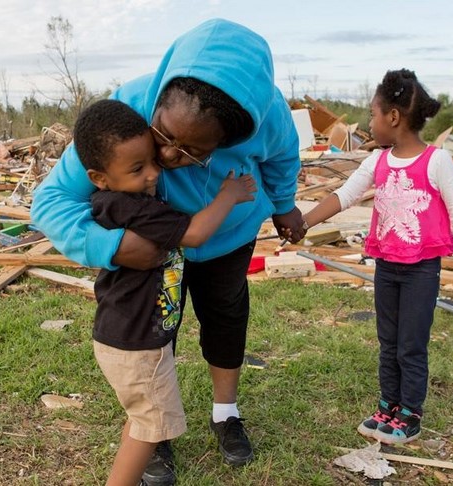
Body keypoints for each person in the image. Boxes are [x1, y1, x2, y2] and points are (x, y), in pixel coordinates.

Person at [31, 18, 305, 485]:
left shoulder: (268, 117)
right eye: (163, 136)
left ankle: (225, 413)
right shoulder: (123, 114)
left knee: (224, 314)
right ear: (155, 105)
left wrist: (283, 206)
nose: (172, 157)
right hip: (155, 245)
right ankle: (154, 437)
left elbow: (282, 160)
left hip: (228, 234)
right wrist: (113, 246)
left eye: (194, 151)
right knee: (157, 328)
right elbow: (50, 202)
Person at [73, 99, 255, 486]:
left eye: (152, 161)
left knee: (143, 421)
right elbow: (193, 234)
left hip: (131, 337)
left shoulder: (125, 199)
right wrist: (229, 194)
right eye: (138, 169)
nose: (155, 174)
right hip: (136, 344)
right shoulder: (130, 208)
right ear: (99, 177)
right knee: (150, 428)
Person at [301, 69, 453, 445]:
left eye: (372, 114)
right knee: (388, 340)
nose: (369, 121)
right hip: (387, 266)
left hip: (421, 270)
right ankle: (388, 404)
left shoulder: (437, 161)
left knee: (411, 343)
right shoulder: (376, 162)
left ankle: (410, 412)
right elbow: (343, 196)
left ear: (393, 118)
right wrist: (303, 222)